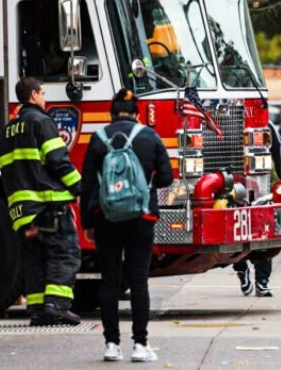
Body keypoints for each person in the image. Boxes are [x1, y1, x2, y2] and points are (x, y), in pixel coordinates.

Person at [80, 89, 173, 363]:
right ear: (136, 112)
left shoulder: (98, 139)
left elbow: (87, 185)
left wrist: (88, 222)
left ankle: (111, 345)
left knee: (109, 278)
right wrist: (144, 187)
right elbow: (166, 178)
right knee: (138, 279)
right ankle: (140, 345)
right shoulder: (149, 137)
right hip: (141, 218)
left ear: (112, 111)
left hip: (105, 217)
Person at [0, 77, 82, 326]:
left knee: (35, 259)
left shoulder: (8, 130)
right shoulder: (42, 122)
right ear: (33, 95)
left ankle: (37, 310)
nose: (45, 99)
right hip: (48, 205)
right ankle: (56, 306)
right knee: (64, 253)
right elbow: (58, 160)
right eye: (43, 93)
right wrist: (79, 187)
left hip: (23, 211)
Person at [233, 121, 281, 297]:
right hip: (231, 190)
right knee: (233, 240)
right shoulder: (216, 123)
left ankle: (262, 281)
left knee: (264, 237)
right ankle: (242, 271)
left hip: (261, 190)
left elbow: (280, 154)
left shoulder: (266, 124)